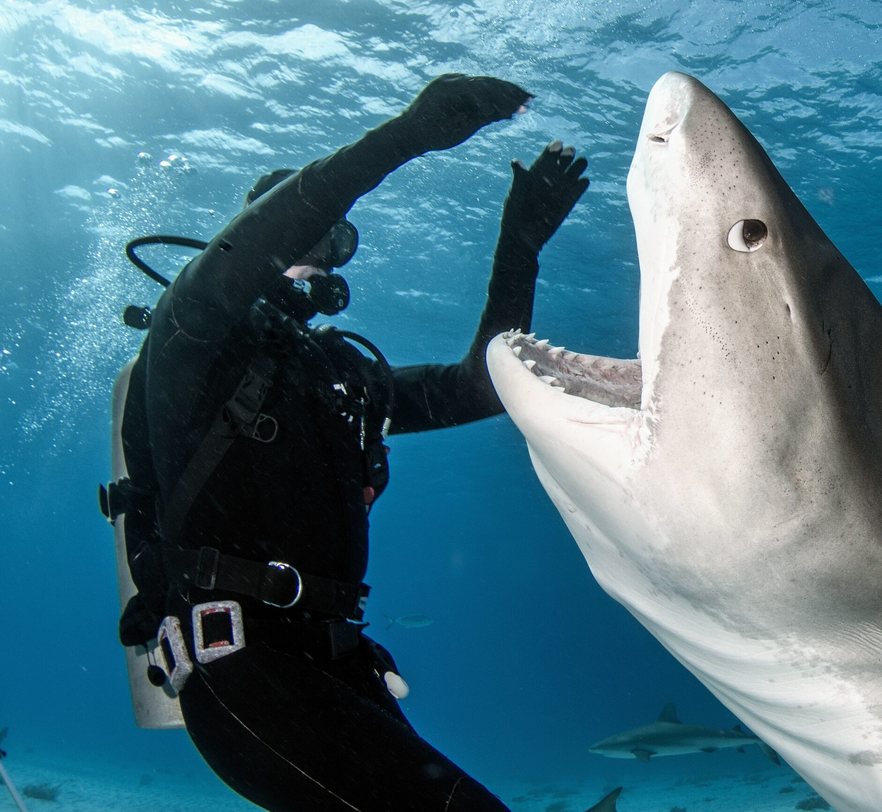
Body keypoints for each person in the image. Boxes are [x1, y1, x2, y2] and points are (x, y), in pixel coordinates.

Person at [115, 74, 589, 811]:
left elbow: (481, 386)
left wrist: (520, 239)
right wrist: (407, 134)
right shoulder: (192, 335)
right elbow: (252, 251)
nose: (322, 256)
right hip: (238, 667)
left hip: (336, 662)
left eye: (334, 245)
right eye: (303, 235)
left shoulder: (338, 379)